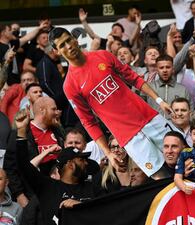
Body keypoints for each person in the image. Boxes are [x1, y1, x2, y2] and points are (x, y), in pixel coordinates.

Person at [49, 27, 178, 178]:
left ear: (75, 39)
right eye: (62, 45)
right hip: (129, 137)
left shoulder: (102, 55)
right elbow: (88, 122)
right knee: (161, 177)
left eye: (68, 40)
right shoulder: (70, 85)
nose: (68, 46)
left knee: (185, 160)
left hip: (149, 118)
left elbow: (133, 77)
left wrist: (159, 100)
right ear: (57, 51)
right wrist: (108, 153)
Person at [12, 110, 96, 225]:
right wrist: (21, 131)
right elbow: (24, 165)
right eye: (81, 160)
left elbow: (104, 213)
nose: (86, 163)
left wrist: (80, 206)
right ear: (70, 165)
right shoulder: (48, 188)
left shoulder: (93, 187)